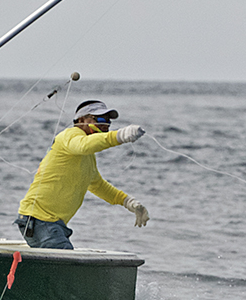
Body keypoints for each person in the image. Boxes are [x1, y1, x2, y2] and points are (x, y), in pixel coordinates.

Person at [15, 99, 149, 249]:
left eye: (107, 121)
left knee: (62, 259)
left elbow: (98, 186)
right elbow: (83, 145)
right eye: (99, 119)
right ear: (81, 120)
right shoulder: (70, 135)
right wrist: (119, 136)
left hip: (52, 223)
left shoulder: (87, 157)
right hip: (39, 219)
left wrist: (128, 202)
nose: (105, 124)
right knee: (65, 259)